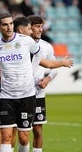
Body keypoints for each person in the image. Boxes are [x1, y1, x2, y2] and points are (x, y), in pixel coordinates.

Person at [0, 13, 72, 152]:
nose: (9, 27)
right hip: (7, 96)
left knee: (24, 137)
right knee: (6, 136)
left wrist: (59, 63)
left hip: (27, 95)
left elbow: (40, 56)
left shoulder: (26, 41)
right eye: (5, 24)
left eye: (11, 24)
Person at [27, 15, 58, 152]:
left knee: (38, 130)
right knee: (21, 132)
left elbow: (54, 68)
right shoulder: (22, 45)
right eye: (37, 26)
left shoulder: (47, 46)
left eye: (41, 26)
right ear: (29, 28)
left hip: (38, 94)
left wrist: (47, 80)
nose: (40, 29)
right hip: (21, 93)